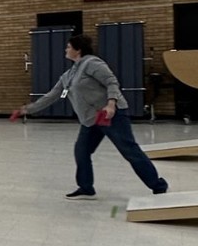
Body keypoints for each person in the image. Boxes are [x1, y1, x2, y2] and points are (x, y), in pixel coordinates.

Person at [12, 34, 167, 198]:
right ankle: (86, 187)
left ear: (78, 50)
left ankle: (158, 185)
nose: (66, 50)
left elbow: (111, 82)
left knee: (129, 150)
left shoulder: (92, 63)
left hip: (109, 114)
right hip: (91, 120)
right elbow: (51, 96)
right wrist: (26, 110)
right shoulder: (69, 74)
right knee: (81, 151)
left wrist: (111, 103)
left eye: (68, 47)